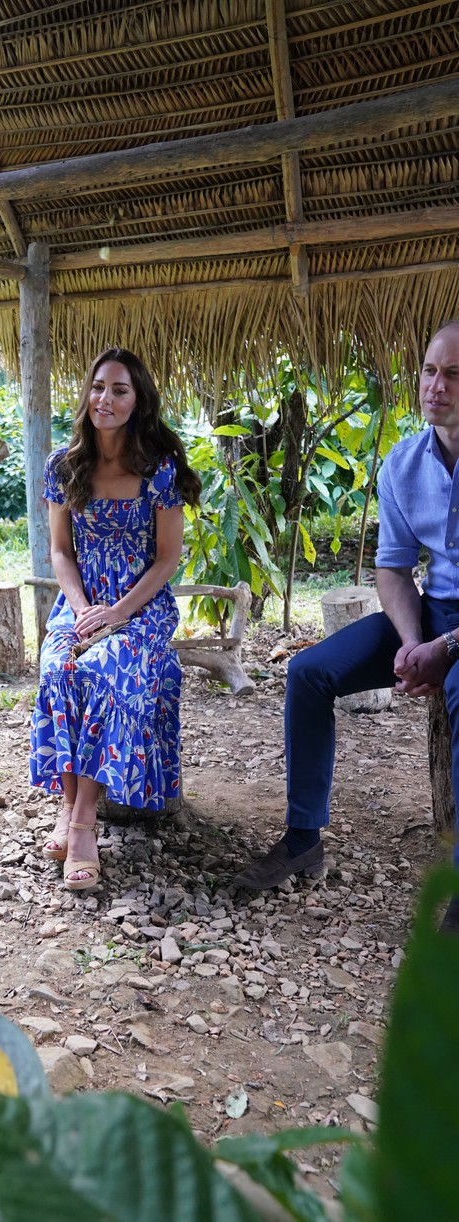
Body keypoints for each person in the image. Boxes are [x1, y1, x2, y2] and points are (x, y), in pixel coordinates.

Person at [233, 319, 459, 932]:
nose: (436, 386)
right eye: (429, 371)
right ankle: (303, 837)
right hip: (431, 611)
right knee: (308, 673)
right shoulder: (404, 464)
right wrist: (413, 643)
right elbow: (393, 567)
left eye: (453, 375)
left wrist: (447, 648)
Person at [29, 347, 201, 891]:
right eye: (98, 387)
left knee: (104, 669)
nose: (105, 398)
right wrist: (83, 609)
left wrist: (118, 613)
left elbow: (168, 559)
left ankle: (82, 824)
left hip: (140, 608)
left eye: (120, 390)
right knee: (59, 668)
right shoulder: (63, 466)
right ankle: (68, 806)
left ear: (138, 400)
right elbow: (60, 552)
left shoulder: (158, 470)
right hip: (81, 604)